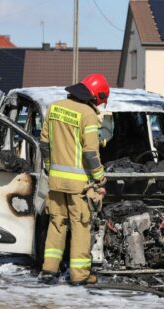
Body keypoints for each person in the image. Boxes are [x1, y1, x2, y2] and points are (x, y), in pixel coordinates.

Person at [38, 73, 109, 285]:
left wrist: (50, 170)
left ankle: (48, 270)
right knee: (81, 226)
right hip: (79, 184)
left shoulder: (54, 107)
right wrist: (99, 178)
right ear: (97, 95)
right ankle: (80, 275)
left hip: (56, 181)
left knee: (57, 223)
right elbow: (89, 153)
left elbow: (44, 144)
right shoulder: (87, 114)